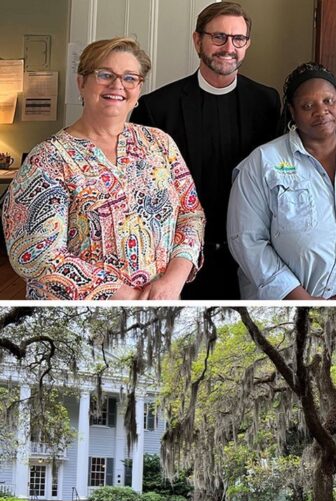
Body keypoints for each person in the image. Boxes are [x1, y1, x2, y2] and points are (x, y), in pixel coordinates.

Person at [1, 37, 204, 300]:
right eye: (105, 74)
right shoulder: (48, 159)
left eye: (130, 78)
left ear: (139, 89)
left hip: (161, 305)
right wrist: (126, 297)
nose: (118, 85)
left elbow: (191, 214)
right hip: (81, 315)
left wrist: (173, 281)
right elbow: (36, 255)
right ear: (81, 82)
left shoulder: (160, 143)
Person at [131, 1, 280, 299]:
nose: (229, 48)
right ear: (197, 40)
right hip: (178, 261)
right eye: (219, 37)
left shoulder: (267, 102)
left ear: (247, 44)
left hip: (250, 254)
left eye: (238, 39)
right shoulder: (157, 108)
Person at [227, 63, 336, 299]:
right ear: (292, 112)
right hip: (283, 310)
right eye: (308, 106)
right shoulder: (262, 162)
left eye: (329, 101)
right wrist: (300, 299)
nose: (321, 111)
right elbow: (246, 240)